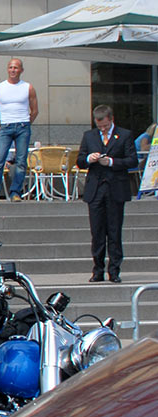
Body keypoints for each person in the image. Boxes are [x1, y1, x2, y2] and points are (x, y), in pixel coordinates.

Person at [79, 104, 137, 283]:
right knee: (97, 232)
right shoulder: (89, 136)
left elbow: (132, 160)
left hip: (115, 188)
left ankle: (114, 270)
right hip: (96, 189)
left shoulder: (124, 135)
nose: (102, 129)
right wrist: (89, 158)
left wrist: (111, 162)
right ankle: (98, 270)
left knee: (114, 231)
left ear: (111, 120)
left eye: (105, 126)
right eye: (99, 127)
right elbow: (80, 160)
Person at [0, 58, 39, 203]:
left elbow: (34, 110)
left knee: (21, 161)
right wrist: (2, 123)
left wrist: (26, 123)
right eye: (11, 67)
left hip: (22, 126)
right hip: (6, 126)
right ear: (7, 69)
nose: (13, 70)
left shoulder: (28, 87)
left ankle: (16, 192)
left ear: (21, 70)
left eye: (16, 67)